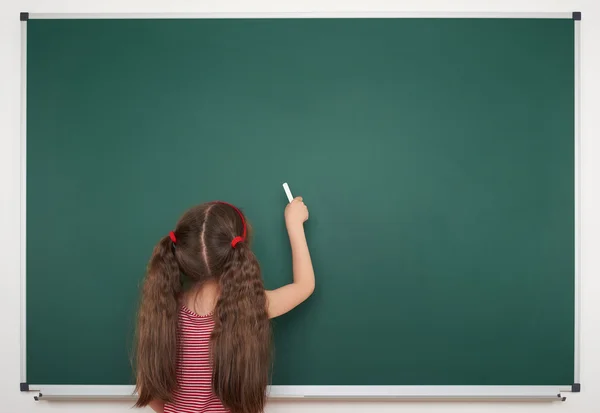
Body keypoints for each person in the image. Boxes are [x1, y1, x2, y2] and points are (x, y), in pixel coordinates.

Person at [134, 197, 315, 413]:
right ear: (238, 250)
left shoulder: (164, 310)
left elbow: (148, 389)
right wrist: (294, 224)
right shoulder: (249, 307)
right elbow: (304, 286)